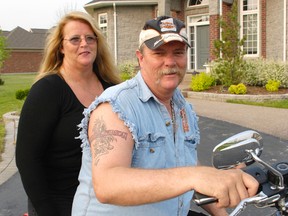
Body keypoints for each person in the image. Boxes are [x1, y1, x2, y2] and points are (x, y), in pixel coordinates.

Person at [72, 16, 259, 216]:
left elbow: (185, 168)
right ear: (140, 57)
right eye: (159, 53)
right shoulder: (116, 106)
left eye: (178, 52)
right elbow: (107, 185)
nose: (170, 62)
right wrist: (195, 176)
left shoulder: (183, 108)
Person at [15, 11, 121, 216]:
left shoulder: (113, 90)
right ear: (61, 47)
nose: (84, 43)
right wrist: (46, 210)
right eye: (75, 39)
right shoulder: (48, 90)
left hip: (105, 202)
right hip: (59, 202)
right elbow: (27, 159)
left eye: (90, 38)